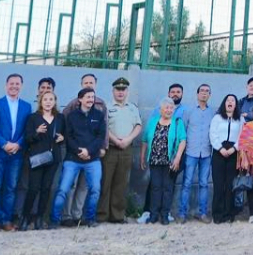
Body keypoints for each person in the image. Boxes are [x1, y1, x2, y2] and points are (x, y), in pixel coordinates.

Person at [50, 87, 107, 229]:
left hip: (92, 159)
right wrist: (79, 151)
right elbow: (68, 137)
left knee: (95, 189)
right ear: (80, 99)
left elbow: (100, 137)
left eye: (92, 97)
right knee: (63, 189)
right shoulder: (72, 116)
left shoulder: (99, 115)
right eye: (87, 97)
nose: (90, 99)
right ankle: (54, 220)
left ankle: (90, 218)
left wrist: (89, 150)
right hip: (73, 159)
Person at [0, 73, 31, 231]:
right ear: (6, 85)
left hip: (16, 154)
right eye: (11, 83)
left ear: (21, 86)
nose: (14, 86)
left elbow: (28, 129)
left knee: (11, 187)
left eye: (17, 84)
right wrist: (4, 144)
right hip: (0, 152)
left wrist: (18, 144)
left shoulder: (27, 106)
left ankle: (6, 220)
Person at [97, 77, 141, 224]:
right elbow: (103, 128)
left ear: (127, 91)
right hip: (110, 148)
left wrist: (128, 140)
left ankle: (117, 216)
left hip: (127, 149)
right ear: (113, 91)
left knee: (121, 184)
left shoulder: (133, 108)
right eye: (118, 89)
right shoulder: (106, 107)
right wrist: (115, 140)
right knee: (105, 182)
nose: (120, 92)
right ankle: (102, 215)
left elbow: (138, 126)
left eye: (123, 90)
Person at [23, 90, 66, 230]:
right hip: (37, 158)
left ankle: (40, 218)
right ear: (40, 102)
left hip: (53, 158)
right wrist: (37, 132)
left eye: (51, 99)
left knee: (46, 188)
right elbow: (27, 138)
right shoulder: (33, 117)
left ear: (55, 102)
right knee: (33, 188)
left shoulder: (60, 117)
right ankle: (25, 217)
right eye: (45, 99)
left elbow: (65, 134)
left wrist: (62, 138)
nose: (48, 102)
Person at [141, 96, 185, 225]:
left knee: (167, 188)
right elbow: (144, 140)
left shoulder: (178, 122)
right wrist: (142, 157)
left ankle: (165, 215)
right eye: (166, 107)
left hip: (170, 161)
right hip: (154, 160)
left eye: (171, 108)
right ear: (160, 110)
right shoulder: (153, 120)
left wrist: (177, 158)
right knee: (155, 188)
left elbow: (183, 140)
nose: (169, 110)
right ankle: (153, 215)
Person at [179, 83, 214, 223]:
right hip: (190, 152)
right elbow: (183, 130)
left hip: (206, 153)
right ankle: (182, 213)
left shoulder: (213, 112)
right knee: (186, 183)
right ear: (197, 94)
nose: (204, 93)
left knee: (204, 184)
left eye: (207, 91)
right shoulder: (188, 111)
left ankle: (202, 213)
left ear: (209, 95)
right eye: (202, 91)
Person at [209, 94, 242, 224]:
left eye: (232, 100)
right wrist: (220, 148)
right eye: (227, 100)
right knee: (218, 185)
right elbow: (213, 134)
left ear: (235, 104)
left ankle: (229, 214)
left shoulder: (239, 119)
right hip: (219, 152)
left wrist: (234, 148)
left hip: (233, 152)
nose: (230, 102)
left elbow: (242, 136)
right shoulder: (217, 118)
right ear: (224, 103)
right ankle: (217, 214)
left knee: (230, 185)